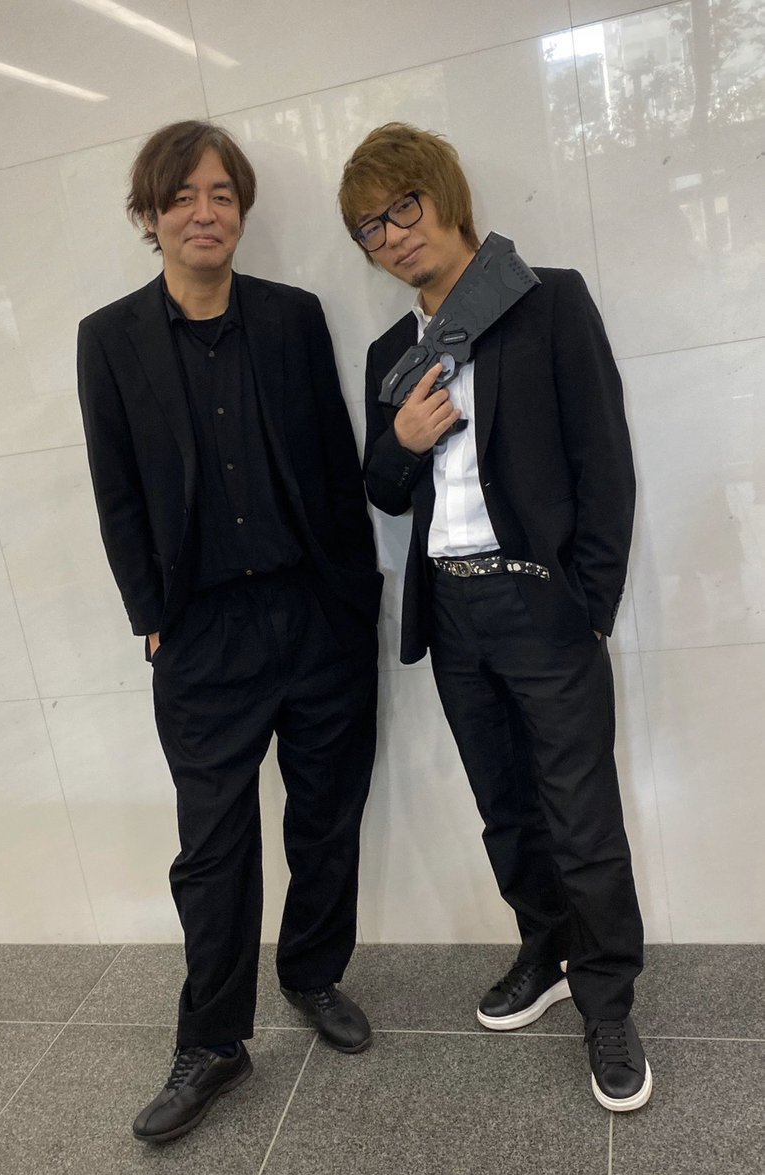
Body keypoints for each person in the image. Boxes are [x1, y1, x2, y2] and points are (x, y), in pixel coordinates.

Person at [78, 119, 381, 1143]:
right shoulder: (109, 339)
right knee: (212, 849)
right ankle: (212, 1042)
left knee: (326, 815)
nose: (203, 213)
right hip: (201, 633)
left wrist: (352, 600)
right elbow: (116, 492)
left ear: (240, 210)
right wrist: (151, 619)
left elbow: (334, 465)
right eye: (182, 197)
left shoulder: (293, 318)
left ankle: (311, 973)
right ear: (150, 215)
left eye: (221, 194)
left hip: (314, 614)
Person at [338, 123, 651, 1112]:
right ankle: (545, 950)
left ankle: (608, 1002)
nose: (392, 235)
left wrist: (590, 605)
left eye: (402, 207)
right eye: (369, 227)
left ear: (444, 194)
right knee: (506, 808)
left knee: (581, 819)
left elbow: (604, 464)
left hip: (543, 605)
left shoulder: (545, 301)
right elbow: (382, 491)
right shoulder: (393, 353)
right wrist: (401, 439)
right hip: (455, 612)